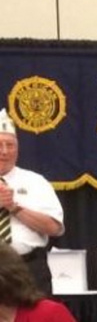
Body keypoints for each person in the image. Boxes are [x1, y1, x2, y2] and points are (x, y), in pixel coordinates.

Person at [0, 107, 65, 296]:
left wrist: (14, 207)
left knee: (34, 321)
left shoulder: (36, 182)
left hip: (29, 269)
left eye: (10, 145)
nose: (4, 151)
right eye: (0, 145)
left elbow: (53, 228)